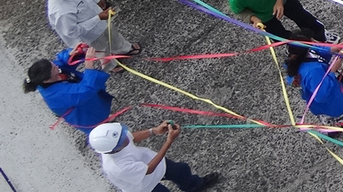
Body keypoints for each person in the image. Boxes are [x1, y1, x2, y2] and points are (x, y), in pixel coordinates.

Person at [90, 121, 220, 192]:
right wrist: (169, 141)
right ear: (113, 149)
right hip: (143, 187)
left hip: (152, 163)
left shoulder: (117, 140)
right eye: (122, 139)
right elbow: (148, 169)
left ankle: (195, 186)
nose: (126, 137)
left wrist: (153, 131)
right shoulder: (117, 167)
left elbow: (132, 137)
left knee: (181, 170)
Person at [27, 46, 115, 129]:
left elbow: (60, 62)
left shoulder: (49, 72)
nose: (57, 66)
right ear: (46, 80)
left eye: (53, 64)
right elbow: (85, 91)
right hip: (81, 113)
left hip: (83, 103)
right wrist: (89, 68)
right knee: (95, 122)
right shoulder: (57, 94)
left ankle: (104, 119)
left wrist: (71, 55)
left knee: (97, 108)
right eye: (54, 69)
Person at [285, 43, 343, 128]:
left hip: (313, 94)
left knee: (321, 108)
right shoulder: (312, 71)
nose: (314, 42)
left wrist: (330, 49)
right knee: (334, 100)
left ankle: (327, 121)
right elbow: (321, 95)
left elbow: (318, 52)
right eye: (310, 42)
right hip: (326, 92)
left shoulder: (297, 60)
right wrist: (332, 70)